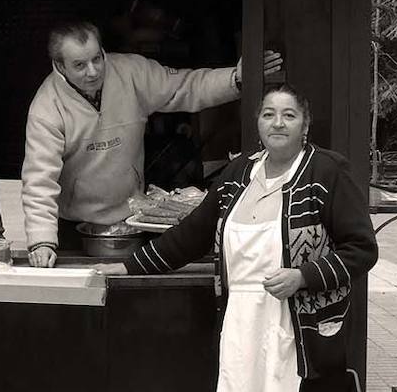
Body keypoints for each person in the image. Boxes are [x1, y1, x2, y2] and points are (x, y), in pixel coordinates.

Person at [122, 85, 378, 392]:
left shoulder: (328, 174)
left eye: (288, 114)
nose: (277, 122)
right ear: (257, 123)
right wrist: (124, 269)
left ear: (306, 123)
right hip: (245, 323)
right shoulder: (240, 175)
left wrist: (304, 276)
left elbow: (360, 249)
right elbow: (190, 234)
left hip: (305, 328)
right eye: (268, 114)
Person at [22, 18, 283, 266]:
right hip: (76, 228)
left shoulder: (131, 72)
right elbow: (39, 181)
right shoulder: (47, 107)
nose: (93, 71)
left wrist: (235, 78)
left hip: (134, 219)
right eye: (79, 65)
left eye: (97, 59)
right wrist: (41, 242)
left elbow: (185, 87)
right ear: (59, 65)